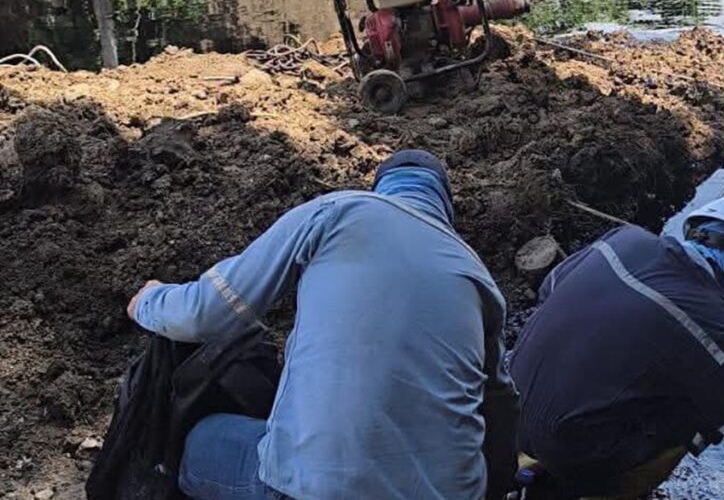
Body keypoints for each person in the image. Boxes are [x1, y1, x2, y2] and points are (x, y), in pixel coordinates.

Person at [127, 149, 517, 500]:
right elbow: (500, 410)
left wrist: (149, 300)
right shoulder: (478, 279)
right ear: (444, 210)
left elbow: (206, 313)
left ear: (382, 190)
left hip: (316, 488)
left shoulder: (340, 211)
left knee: (202, 443)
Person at [509, 196, 724, 500]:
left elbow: (551, 288)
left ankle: (537, 465)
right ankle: (593, 488)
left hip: (510, 409)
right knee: (703, 411)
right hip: (573, 449)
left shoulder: (625, 240)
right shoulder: (713, 325)